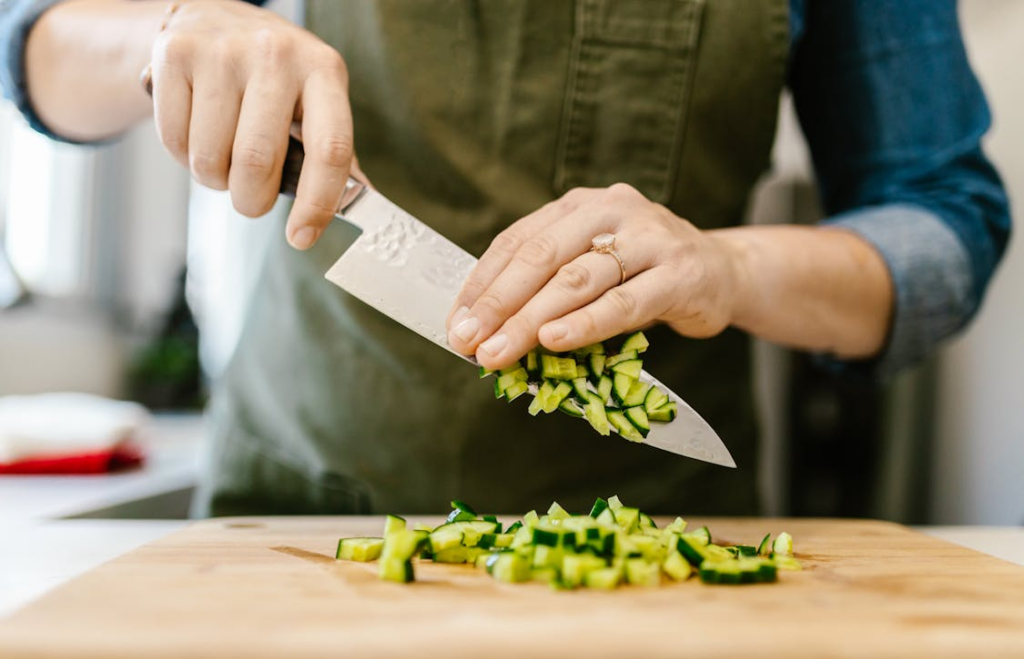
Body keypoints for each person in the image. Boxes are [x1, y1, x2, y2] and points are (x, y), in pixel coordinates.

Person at [0, 0, 1010, 516]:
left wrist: (728, 267)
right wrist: (163, 34)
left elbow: (943, 220)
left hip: (658, 542)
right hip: (303, 515)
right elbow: (32, 42)